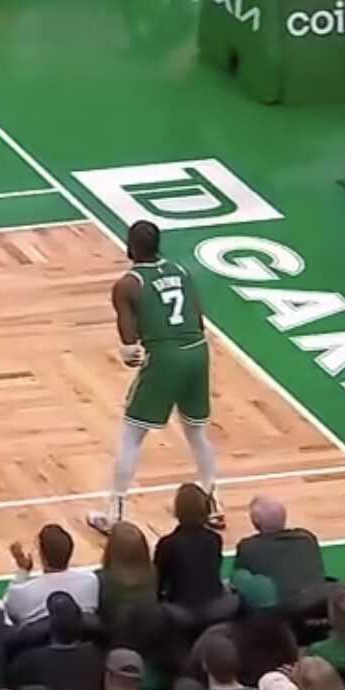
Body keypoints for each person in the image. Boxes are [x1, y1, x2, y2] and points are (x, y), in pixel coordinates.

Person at [89, 220, 220, 534]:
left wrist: (129, 352)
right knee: (196, 433)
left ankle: (114, 513)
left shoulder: (128, 284)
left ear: (130, 246)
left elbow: (129, 344)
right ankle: (213, 504)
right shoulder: (182, 271)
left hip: (166, 357)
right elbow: (198, 319)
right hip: (198, 352)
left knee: (131, 435)